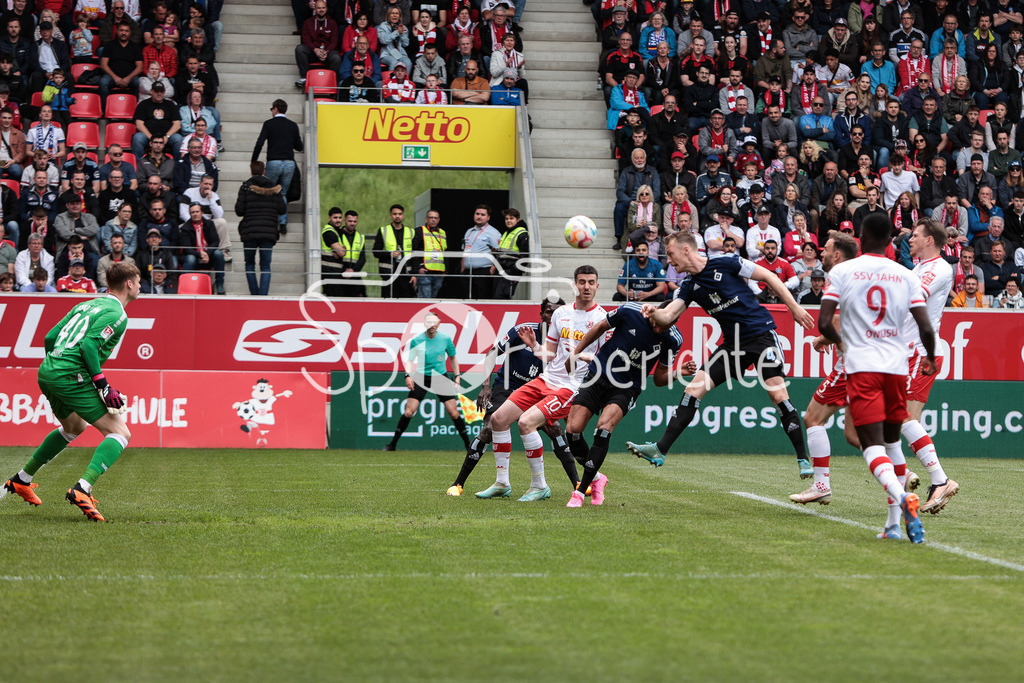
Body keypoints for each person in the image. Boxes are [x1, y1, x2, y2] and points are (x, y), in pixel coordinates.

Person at [626, 231, 816, 476]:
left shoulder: (727, 261)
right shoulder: (689, 286)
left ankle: (803, 460)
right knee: (693, 389)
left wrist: (794, 307)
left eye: (671, 254)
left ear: (686, 250)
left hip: (761, 335)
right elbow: (669, 314)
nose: (669, 261)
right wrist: (652, 311)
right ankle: (660, 450)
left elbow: (768, 275)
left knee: (778, 395)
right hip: (733, 345)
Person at [817, 213, 937, 543]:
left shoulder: (842, 271)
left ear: (862, 236)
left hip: (864, 368)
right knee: (893, 443)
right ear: (889, 240)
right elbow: (926, 327)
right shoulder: (905, 275)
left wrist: (845, 344)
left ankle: (902, 498)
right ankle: (893, 525)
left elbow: (825, 323)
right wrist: (929, 357)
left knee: (871, 446)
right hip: (898, 369)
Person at [3, 262, 141, 522]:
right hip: (69, 375)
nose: (140, 286)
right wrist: (102, 384)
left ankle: (22, 479)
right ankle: (82, 489)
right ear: (129, 284)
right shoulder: (118, 314)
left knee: (73, 427)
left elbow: (49, 337)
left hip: (48, 370)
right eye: (139, 281)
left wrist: (56, 367)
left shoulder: (85, 304)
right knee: (120, 433)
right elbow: (89, 345)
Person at [476, 266, 606, 502]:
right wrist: (534, 345)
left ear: (597, 286)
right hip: (547, 379)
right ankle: (502, 482)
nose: (586, 286)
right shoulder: (561, 314)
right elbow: (550, 355)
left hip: (572, 386)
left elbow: (607, 360)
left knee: (526, 423)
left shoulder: (602, 319)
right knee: (498, 419)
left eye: (591, 282)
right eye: (582, 282)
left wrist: (588, 359)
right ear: (574, 284)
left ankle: (539, 486)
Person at [564, 302, 694, 508]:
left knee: (604, 429)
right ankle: (597, 478)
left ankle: (580, 492)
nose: (660, 329)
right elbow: (599, 328)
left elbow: (659, 379)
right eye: (659, 323)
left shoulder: (673, 339)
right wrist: (576, 353)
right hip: (598, 375)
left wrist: (679, 373)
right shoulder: (630, 311)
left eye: (666, 327)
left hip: (626, 388)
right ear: (653, 313)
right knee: (572, 431)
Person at [446, 299, 573, 497]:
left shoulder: (563, 340)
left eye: (556, 312)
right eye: (548, 311)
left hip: (538, 389)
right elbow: (492, 353)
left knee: (554, 428)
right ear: (541, 314)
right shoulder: (522, 331)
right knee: (488, 429)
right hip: (507, 386)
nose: (551, 316)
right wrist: (486, 384)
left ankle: (579, 485)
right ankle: (459, 484)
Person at [381, 311, 471, 452]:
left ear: (438, 323)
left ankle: (468, 445)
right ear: (424, 324)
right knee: (409, 412)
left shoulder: (445, 339)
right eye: (428, 322)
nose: (431, 325)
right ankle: (392, 444)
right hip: (421, 378)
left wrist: (457, 375)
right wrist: (408, 376)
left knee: (453, 413)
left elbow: (453, 358)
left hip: (440, 377)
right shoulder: (417, 340)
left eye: (434, 322)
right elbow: (410, 361)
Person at [251, 99, 303, 235]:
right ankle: (283, 222)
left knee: (269, 191)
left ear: (275, 109)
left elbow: (259, 143)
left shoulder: (269, 124)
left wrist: (254, 160)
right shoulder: (293, 125)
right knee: (283, 192)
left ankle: (269, 220)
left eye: (271, 109)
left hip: (274, 161)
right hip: (289, 163)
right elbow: (299, 146)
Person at [235, 161, 285, 296]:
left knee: (249, 264)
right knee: (265, 266)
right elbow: (282, 209)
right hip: (268, 232)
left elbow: (239, 211)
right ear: (264, 171)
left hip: (250, 231)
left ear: (251, 171)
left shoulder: (245, 187)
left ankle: (254, 295)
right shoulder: (274, 188)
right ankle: (263, 297)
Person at [179, 202, 225, 294]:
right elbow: (187, 248)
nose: (195, 214)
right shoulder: (185, 228)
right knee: (190, 258)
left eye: (197, 211)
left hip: (209, 256)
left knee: (218, 254)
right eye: (192, 212)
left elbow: (215, 241)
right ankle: (185, 286)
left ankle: (220, 285)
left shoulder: (209, 224)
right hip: (194, 256)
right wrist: (201, 254)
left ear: (202, 213)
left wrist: (207, 253)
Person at [294, 0, 341, 88]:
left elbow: (334, 41)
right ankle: (304, 78)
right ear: (315, 9)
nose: (321, 10)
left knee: (336, 57)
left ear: (326, 9)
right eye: (319, 8)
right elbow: (305, 40)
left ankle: (332, 80)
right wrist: (315, 49)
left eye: (323, 8)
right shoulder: (307, 22)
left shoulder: (332, 23)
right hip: (313, 51)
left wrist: (326, 51)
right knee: (300, 49)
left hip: (327, 52)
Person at [320, 207, 365, 297]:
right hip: (332, 271)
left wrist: (353, 270)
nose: (338, 220)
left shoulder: (359, 237)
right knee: (335, 298)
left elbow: (362, 258)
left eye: (339, 218)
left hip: (347, 272)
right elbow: (342, 253)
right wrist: (342, 250)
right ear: (329, 218)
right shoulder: (332, 232)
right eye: (335, 218)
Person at [372, 203, 415, 298]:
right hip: (389, 273)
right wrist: (390, 254)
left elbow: (415, 254)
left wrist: (414, 274)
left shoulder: (411, 232)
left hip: (405, 273)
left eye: (400, 214)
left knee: (405, 302)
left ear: (403, 216)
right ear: (391, 216)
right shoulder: (383, 230)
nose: (397, 216)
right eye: (395, 214)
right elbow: (376, 251)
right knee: (387, 301)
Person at [99, 22, 144, 106]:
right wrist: (115, 78)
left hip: (131, 77)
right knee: (103, 82)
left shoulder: (135, 47)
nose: (124, 33)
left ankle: (135, 109)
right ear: (117, 31)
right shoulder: (109, 45)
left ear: (130, 32)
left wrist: (128, 78)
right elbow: (103, 64)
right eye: (121, 30)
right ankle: (105, 110)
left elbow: (140, 67)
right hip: (112, 76)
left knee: (140, 83)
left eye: (126, 31)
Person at [461, 204, 500, 299]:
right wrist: (462, 268)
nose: (479, 216)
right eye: (477, 214)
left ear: (488, 217)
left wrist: (492, 269)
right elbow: (465, 250)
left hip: (483, 271)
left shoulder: (493, 232)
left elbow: (499, 252)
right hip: (467, 272)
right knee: (467, 299)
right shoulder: (469, 231)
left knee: (482, 299)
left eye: (482, 215)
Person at [409, 209, 446, 298]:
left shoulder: (442, 233)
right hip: (425, 272)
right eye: (431, 217)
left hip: (438, 272)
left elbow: (445, 252)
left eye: (435, 218)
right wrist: (417, 269)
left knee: (432, 300)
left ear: (439, 219)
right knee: (425, 299)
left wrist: (445, 270)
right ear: (426, 219)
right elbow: (414, 251)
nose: (433, 220)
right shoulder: (419, 231)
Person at [492, 207, 528, 299]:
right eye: (506, 218)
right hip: (501, 269)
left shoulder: (521, 233)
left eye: (511, 218)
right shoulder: (506, 233)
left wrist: (513, 270)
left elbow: (525, 257)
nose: (508, 221)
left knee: (502, 296)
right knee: (496, 297)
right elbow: (503, 253)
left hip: (510, 271)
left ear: (517, 220)